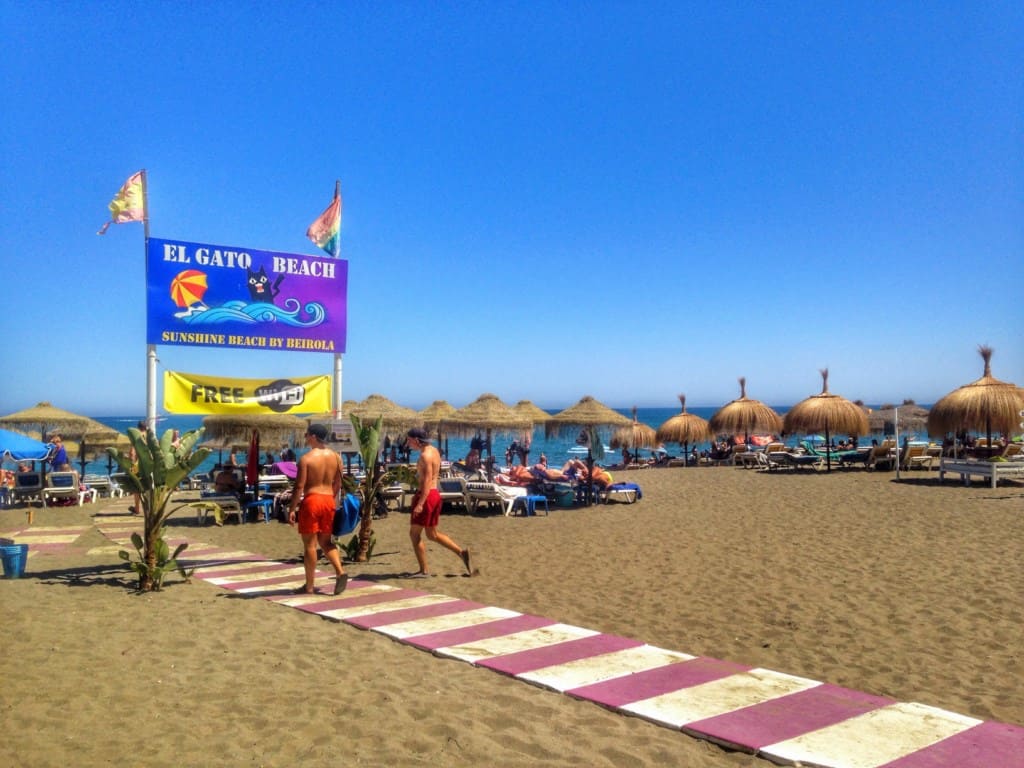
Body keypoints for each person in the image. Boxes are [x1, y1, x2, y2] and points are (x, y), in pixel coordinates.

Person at [287, 424, 348, 595]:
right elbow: (338, 483)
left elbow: (299, 487)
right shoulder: (336, 457)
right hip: (328, 500)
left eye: (307, 435)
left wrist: (292, 508)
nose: (305, 437)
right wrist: (330, 498)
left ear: (313, 436)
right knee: (326, 542)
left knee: (310, 546)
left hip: (312, 500)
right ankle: (340, 571)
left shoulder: (306, 459)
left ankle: (309, 586)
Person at [405, 427, 472, 578]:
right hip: (435, 495)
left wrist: (420, 503)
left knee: (414, 534)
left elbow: (427, 481)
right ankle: (461, 553)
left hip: (427, 496)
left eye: (409, 440)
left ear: (416, 440)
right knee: (432, 534)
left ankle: (424, 571)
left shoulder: (425, 456)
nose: (408, 443)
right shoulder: (434, 451)